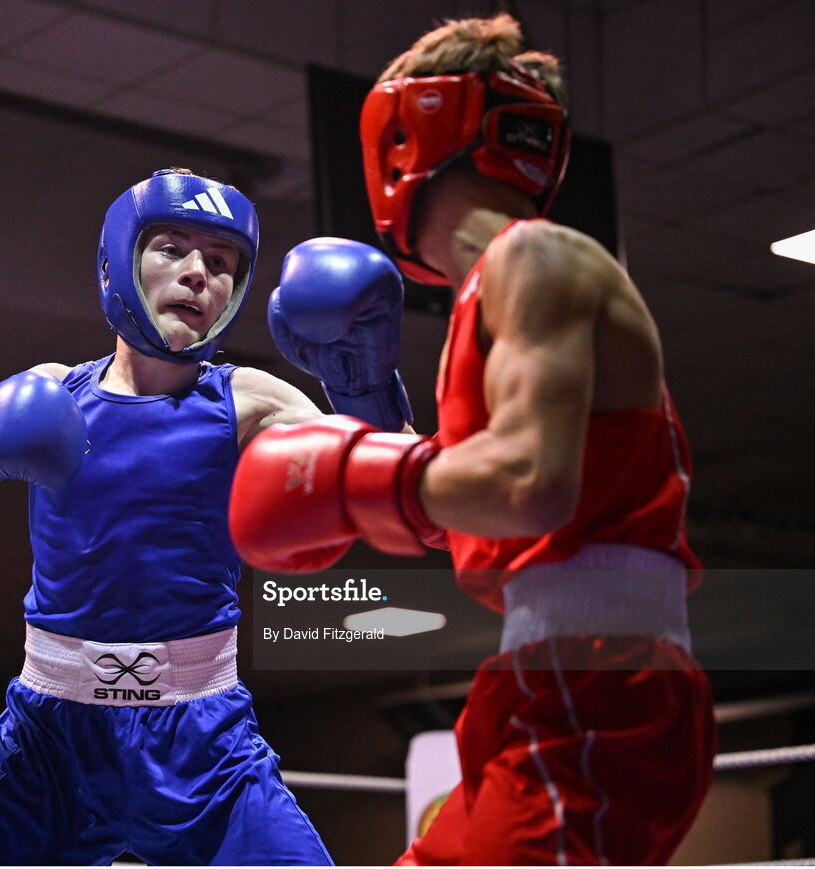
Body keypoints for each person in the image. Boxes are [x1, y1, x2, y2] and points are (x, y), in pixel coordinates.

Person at [229, 15, 716, 866]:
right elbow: (483, 502)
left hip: (596, 680)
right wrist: (365, 414)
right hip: (551, 672)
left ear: (407, 136)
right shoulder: (502, 288)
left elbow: (532, 480)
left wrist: (346, 477)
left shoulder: (536, 259)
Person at [0, 168, 339, 866]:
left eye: (221, 261)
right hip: (49, 741)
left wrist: (366, 389)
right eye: (172, 247)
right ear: (120, 258)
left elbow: (404, 494)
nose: (199, 273)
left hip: (202, 746)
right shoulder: (53, 394)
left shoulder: (253, 400)